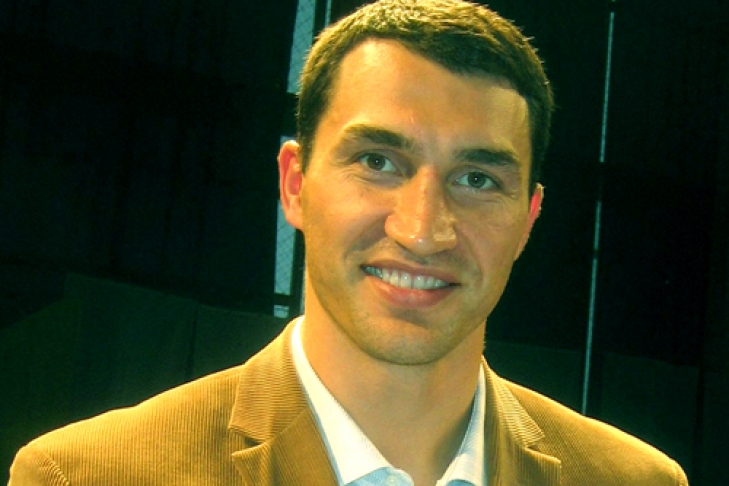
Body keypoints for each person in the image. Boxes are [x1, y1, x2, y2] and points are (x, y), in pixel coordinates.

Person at [9, 0, 688, 484]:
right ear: (295, 184)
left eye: (477, 179)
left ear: (529, 218)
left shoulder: (634, 481)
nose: (422, 230)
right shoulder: (91, 475)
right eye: (378, 162)